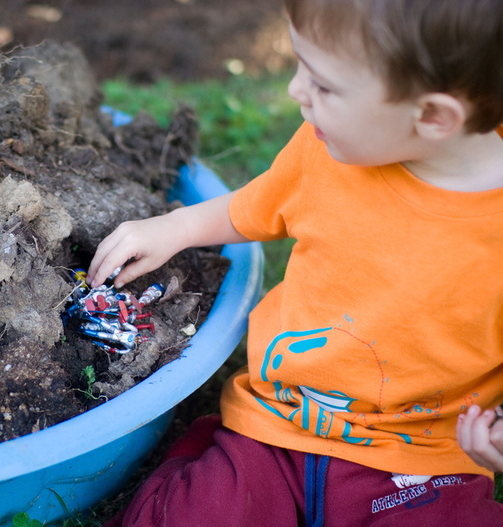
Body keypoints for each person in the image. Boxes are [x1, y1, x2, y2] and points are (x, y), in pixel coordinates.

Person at [87, 1, 503, 525]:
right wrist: (173, 228)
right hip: (278, 426)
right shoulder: (331, 150)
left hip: (417, 460)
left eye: (324, 86)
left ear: (434, 116)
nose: (295, 91)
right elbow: (260, 203)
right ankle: (202, 457)